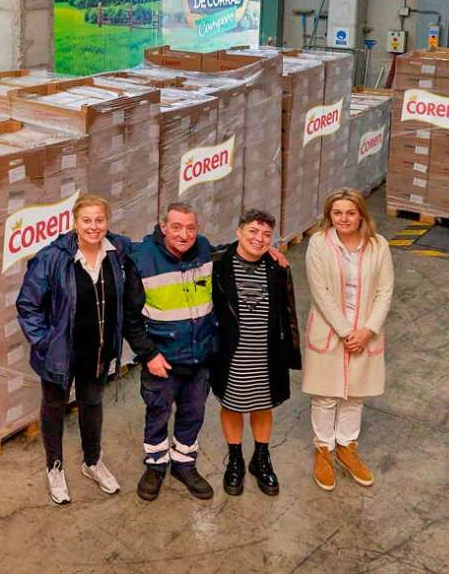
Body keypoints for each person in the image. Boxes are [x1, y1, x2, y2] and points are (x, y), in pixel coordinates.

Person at [124, 202, 288, 502]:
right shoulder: (143, 259)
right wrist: (148, 355)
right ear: (163, 227)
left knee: (193, 413)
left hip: (200, 356)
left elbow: (235, 249)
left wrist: (270, 249)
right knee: (158, 413)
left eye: (190, 227)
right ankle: (156, 466)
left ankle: (184, 465)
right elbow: (130, 318)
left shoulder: (204, 250)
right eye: (176, 227)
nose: (184, 234)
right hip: (162, 357)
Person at [16, 195, 131, 504]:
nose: (94, 227)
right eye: (87, 220)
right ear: (75, 223)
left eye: (99, 220)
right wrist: (45, 341)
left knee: (92, 403)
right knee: (54, 406)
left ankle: (92, 462)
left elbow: (156, 246)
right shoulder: (53, 258)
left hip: (98, 350)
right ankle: (54, 467)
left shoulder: (118, 251)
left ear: (107, 222)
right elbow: (27, 305)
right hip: (61, 353)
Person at [302, 188, 394, 492]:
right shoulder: (319, 243)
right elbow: (320, 293)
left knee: (356, 395)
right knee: (325, 396)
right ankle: (324, 450)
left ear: (361, 215)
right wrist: (345, 332)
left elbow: (385, 291)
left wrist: (367, 330)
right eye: (337, 212)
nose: (343, 218)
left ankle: (346, 447)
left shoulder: (378, 246)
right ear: (330, 215)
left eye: (350, 212)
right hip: (331, 331)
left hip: (366, 332)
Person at [210, 210, 301, 497]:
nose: (258, 239)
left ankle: (261, 458)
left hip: (267, 351)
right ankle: (235, 458)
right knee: (232, 404)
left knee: (263, 404)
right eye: (253, 231)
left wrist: (291, 353)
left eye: (265, 235)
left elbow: (289, 312)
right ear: (239, 232)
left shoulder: (277, 267)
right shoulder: (218, 265)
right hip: (231, 352)